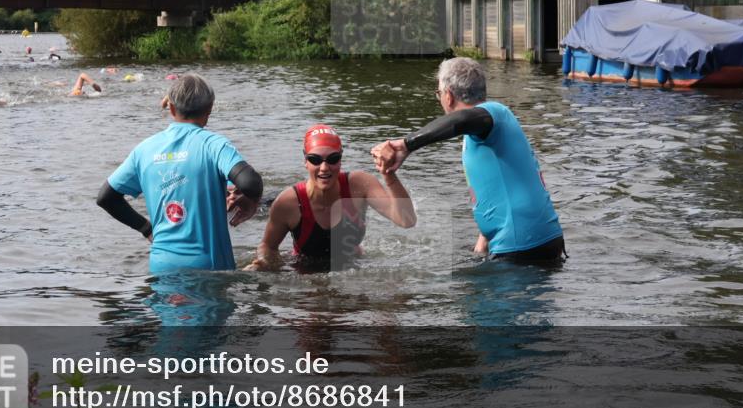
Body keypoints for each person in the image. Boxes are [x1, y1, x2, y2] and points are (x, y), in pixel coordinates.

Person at [371, 57, 565, 263]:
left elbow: (462, 119)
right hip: (532, 239)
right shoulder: (491, 128)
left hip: (521, 245)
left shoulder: (493, 113)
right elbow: (498, 186)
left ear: (448, 96)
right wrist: (483, 241)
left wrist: (407, 144)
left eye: (438, 93)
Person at [96, 73, 263, 272]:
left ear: (172, 108)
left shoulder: (144, 149)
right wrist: (252, 200)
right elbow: (250, 182)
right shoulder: (214, 145)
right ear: (209, 109)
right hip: (208, 269)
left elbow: (106, 198)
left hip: (161, 265)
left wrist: (146, 228)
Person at [247, 124, 416, 272]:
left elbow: (406, 220)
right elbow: (268, 246)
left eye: (333, 159)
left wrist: (389, 174)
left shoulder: (359, 185)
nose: (324, 168)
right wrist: (265, 262)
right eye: (315, 159)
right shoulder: (288, 203)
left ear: (341, 159)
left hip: (353, 266)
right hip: (307, 274)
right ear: (305, 160)